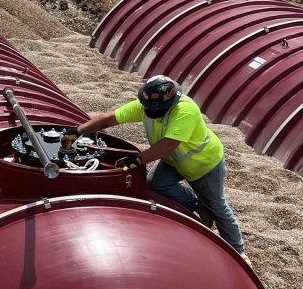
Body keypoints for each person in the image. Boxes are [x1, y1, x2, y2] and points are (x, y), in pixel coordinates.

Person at [69, 75, 249, 259]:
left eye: (154, 107)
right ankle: (198, 205)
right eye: (146, 105)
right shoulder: (144, 107)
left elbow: (169, 144)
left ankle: (238, 252)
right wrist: (78, 130)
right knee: (156, 184)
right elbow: (110, 119)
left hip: (204, 164)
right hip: (173, 160)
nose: (148, 110)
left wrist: (138, 160)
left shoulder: (185, 111)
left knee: (218, 206)